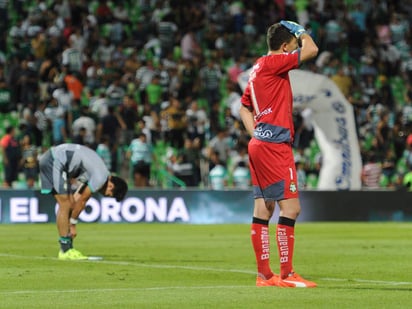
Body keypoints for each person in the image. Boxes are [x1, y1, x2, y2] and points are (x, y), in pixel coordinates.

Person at [239, 20, 318, 288]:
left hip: (260, 143)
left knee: (264, 207)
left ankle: (264, 275)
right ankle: (286, 274)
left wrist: (255, 135)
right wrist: (301, 32)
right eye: (292, 46)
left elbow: (244, 108)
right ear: (284, 47)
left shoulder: (256, 69)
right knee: (292, 208)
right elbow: (312, 50)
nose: (294, 51)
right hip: (275, 145)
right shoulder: (274, 63)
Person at [38, 143, 128, 260]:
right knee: (65, 204)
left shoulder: (99, 172)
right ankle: (65, 250)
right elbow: (82, 201)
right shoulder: (100, 178)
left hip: (54, 158)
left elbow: (77, 198)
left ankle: (67, 247)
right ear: (111, 186)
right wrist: (73, 225)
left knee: (68, 203)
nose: (106, 196)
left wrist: (70, 218)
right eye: (110, 195)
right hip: (54, 161)